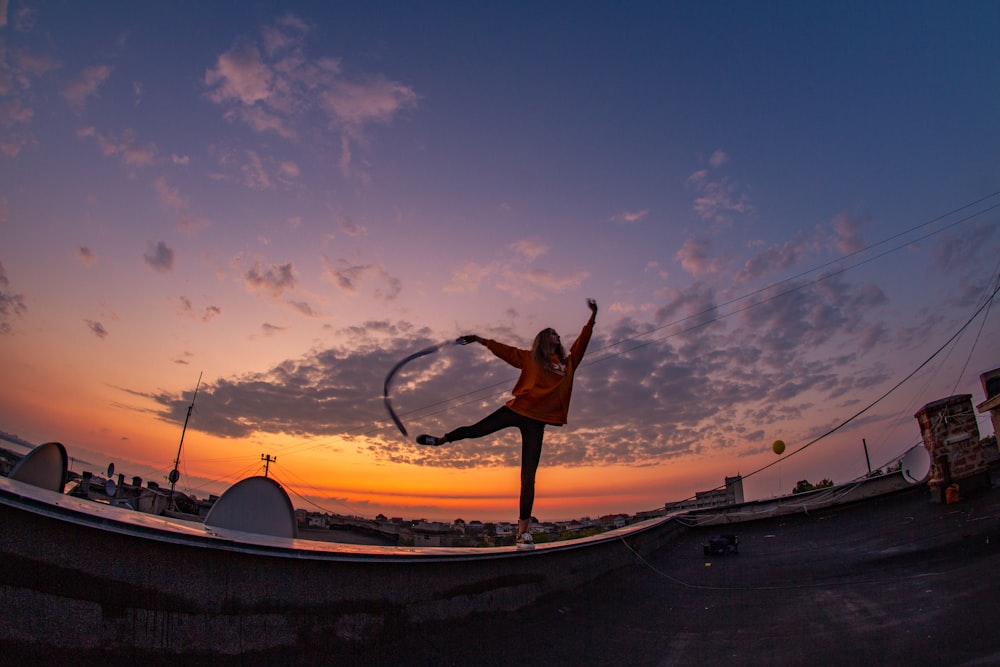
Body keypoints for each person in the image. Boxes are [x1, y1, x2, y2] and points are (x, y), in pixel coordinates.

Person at [417, 298, 598, 550]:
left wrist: (592, 318)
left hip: (538, 422)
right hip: (517, 410)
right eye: (552, 333)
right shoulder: (530, 358)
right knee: (476, 430)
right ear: (544, 340)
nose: (557, 335)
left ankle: (523, 532)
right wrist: (481, 339)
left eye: (557, 333)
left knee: (528, 476)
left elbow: (581, 344)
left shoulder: (567, 365)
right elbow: (504, 350)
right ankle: (440, 440)